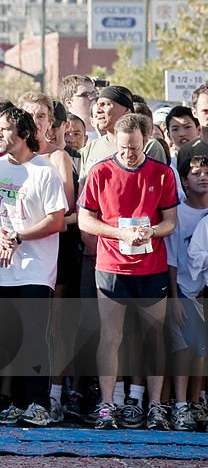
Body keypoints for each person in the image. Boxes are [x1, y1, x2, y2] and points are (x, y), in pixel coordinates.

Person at [78, 113, 178, 430]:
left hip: (152, 266)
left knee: (153, 338)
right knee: (111, 337)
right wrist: (118, 234)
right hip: (111, 266)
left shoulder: (162, 173)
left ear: (145, 141)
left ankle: (156, 406)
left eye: (134, 147)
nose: (128, 154)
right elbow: (85, 220)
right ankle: (108, 404)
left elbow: (170, 221)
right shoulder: (101, 171)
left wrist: (152, 231)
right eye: (123, 148)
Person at [0, 107, 67, 428]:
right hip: (3, 268)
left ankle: (38, 403)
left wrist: (19, 235)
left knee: (32, 337)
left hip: (36, 269)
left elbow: (56, 220)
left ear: (24, 134)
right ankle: (15, 402)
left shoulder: (44, 171)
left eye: (5, 129)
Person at [167, 155, 208, 431]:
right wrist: (173, 297)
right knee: (183, 347)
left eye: (207, 172)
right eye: (196, 173)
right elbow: (170, 258)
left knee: (202, 350)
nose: (203, 177)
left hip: (203, 290)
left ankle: (195, 402)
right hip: (180, 288)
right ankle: (179, 404)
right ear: (184, 180)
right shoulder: (178, 213)